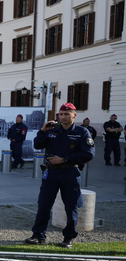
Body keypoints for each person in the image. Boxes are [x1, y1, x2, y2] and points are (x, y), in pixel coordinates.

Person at [26, 103, 95, 248]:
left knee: (71, 206)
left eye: (67, 114)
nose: (63, 117)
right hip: (51, 172)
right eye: (61, 114)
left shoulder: (82, 132)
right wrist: (43, 130)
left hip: (69, 172)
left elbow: (89, 154)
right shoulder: (53, 130)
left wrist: (64, 159)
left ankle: (68, 237)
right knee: (44, 204)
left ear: (74, 115)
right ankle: (38, 235)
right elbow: (38, 145)